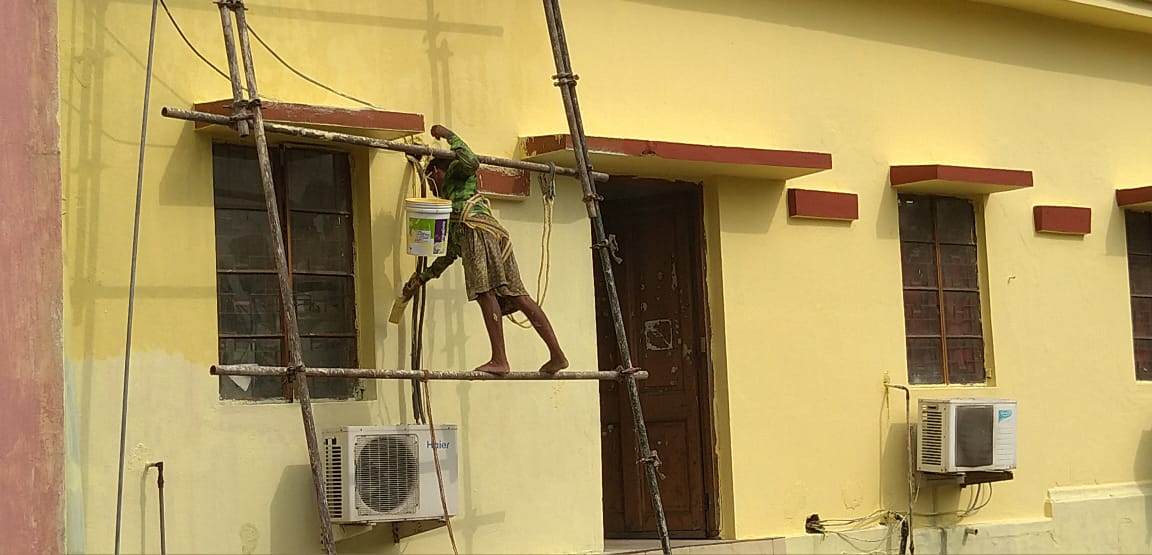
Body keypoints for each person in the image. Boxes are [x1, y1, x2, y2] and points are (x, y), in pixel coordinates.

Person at [402, 124, 569, 376]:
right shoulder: (454, 209)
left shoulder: (459, 175)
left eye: (431, 178)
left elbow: (471, 160)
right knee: (517, 295)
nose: (432, 185)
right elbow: (450, 253)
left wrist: (448, 135)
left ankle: (499, 359)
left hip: (477, 231)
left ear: (437, 171)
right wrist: (421, 279)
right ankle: (557, 355)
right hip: (493, 235)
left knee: (485, 292)